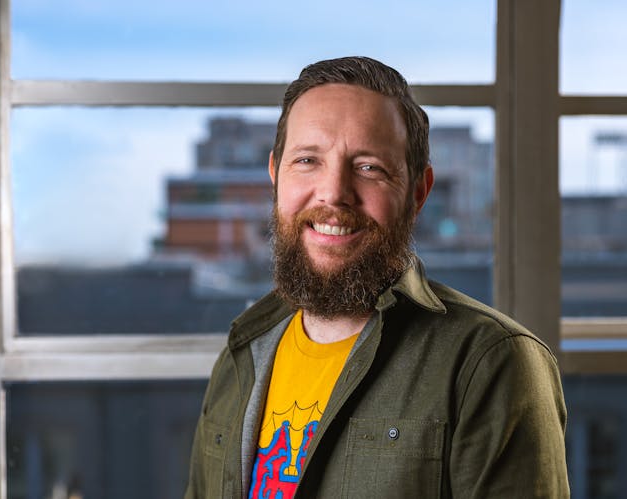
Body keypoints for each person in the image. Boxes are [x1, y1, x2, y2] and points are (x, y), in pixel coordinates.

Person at [184, 56, 569, 498]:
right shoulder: (242, 355)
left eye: (369, 167)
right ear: (276, 176)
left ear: (418, 192)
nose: (333, 193)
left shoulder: (491, 364)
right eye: (308, 160)